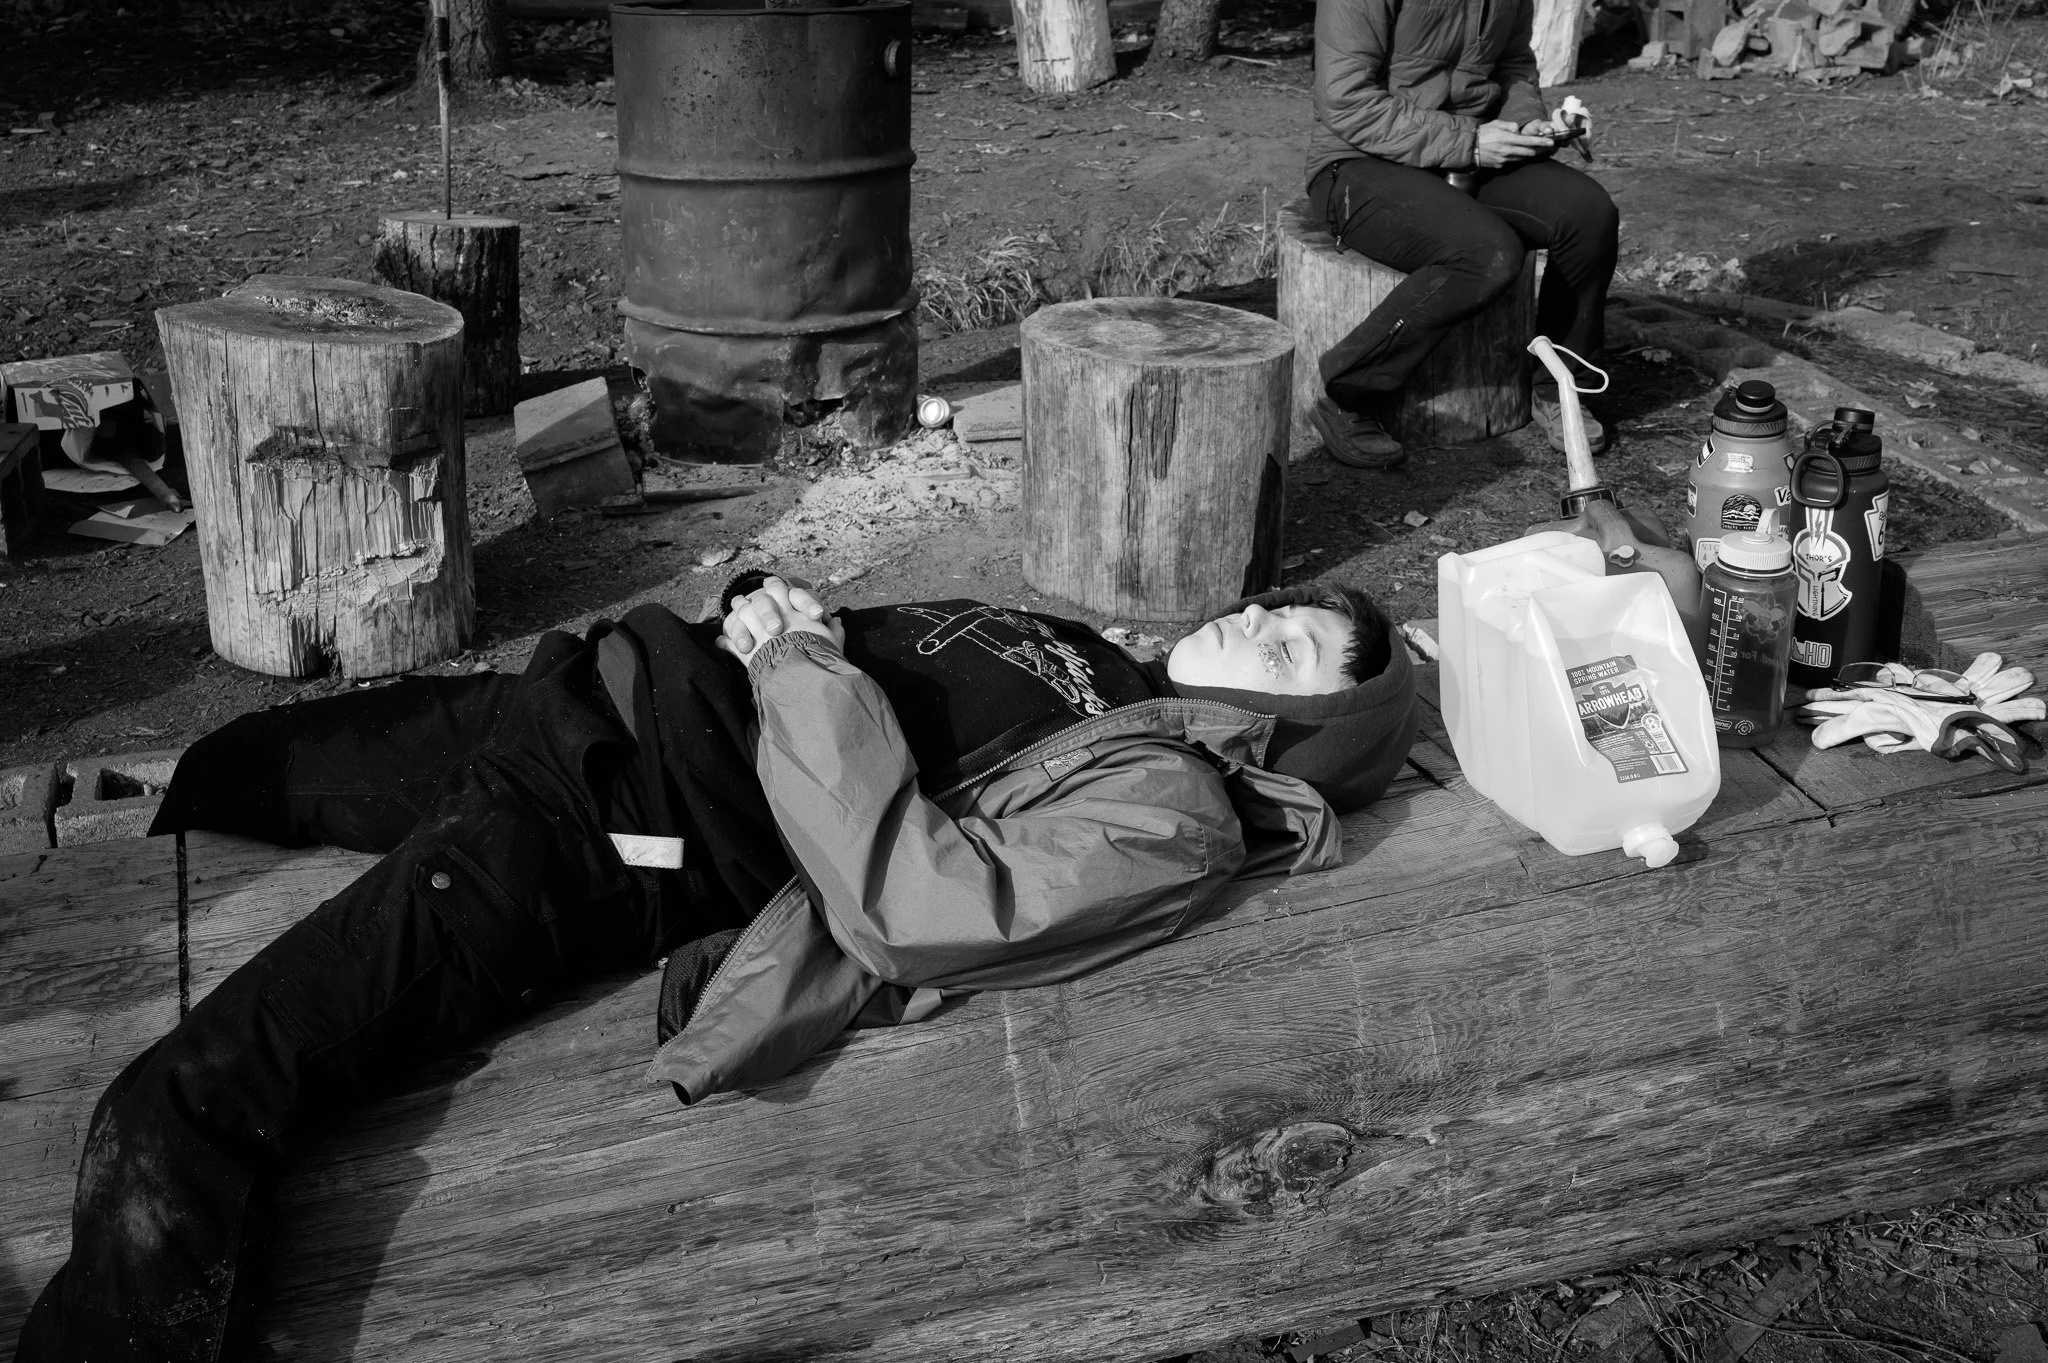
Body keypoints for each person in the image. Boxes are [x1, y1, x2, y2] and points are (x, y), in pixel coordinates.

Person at [19, 573, 1421, 1363]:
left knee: (174, 1113)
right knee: (225, 771)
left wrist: (800, 656)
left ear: (1307, 727)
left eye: (1293, 650)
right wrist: (768, 603)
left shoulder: (1169, 798)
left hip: (606, 825)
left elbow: (917, 902)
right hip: (584, 701)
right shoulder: (1094, 655)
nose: (1255, 622)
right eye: (1278, 605)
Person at [1305, 0, 1621, 469]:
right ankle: (1346, 395)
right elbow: (1346, 99)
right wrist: (1468, 143)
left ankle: (1559, 383)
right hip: (1358, 160)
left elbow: (1514, 64)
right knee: (1487, 253)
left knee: (1588, 213)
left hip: (1474, 146)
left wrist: (1525, 121)